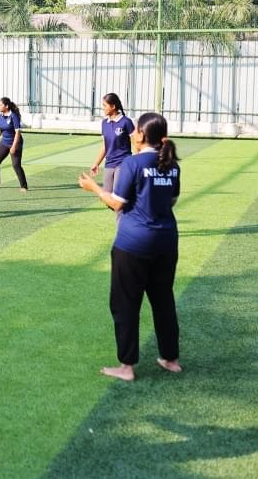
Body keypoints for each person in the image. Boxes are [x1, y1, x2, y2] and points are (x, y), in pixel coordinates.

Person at [78, 112, 182, 382]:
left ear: (141, 135)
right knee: (163, 300)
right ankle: (170, 359)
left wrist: (94, 188)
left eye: (136, 130)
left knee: (125, 303)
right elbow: (171, 202)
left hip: (133, 244)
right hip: (166, 241)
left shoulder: (132, 164)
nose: (133, 133)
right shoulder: (172, 165)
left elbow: (117, 203)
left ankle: (127, 366)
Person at [89, 93, 135, 193]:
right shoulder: (104, 123)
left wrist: (138, 162)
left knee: (118, 193)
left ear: (113, 106)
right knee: (107, 195)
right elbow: (105, 146)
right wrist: (96, 164)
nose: (103, 108)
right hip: (109, 163)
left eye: (105, 105)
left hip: (123, 163)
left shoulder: (126, 122)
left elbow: (136, 143)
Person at [0, 96, 28, 191]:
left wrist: (13, 146)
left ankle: (24, 186)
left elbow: (18, 132)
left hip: (15, 142)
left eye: (0, 105)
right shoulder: (0, 116)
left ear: (6, 106)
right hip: (4, 142)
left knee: (16, 165)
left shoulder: (14, 116)